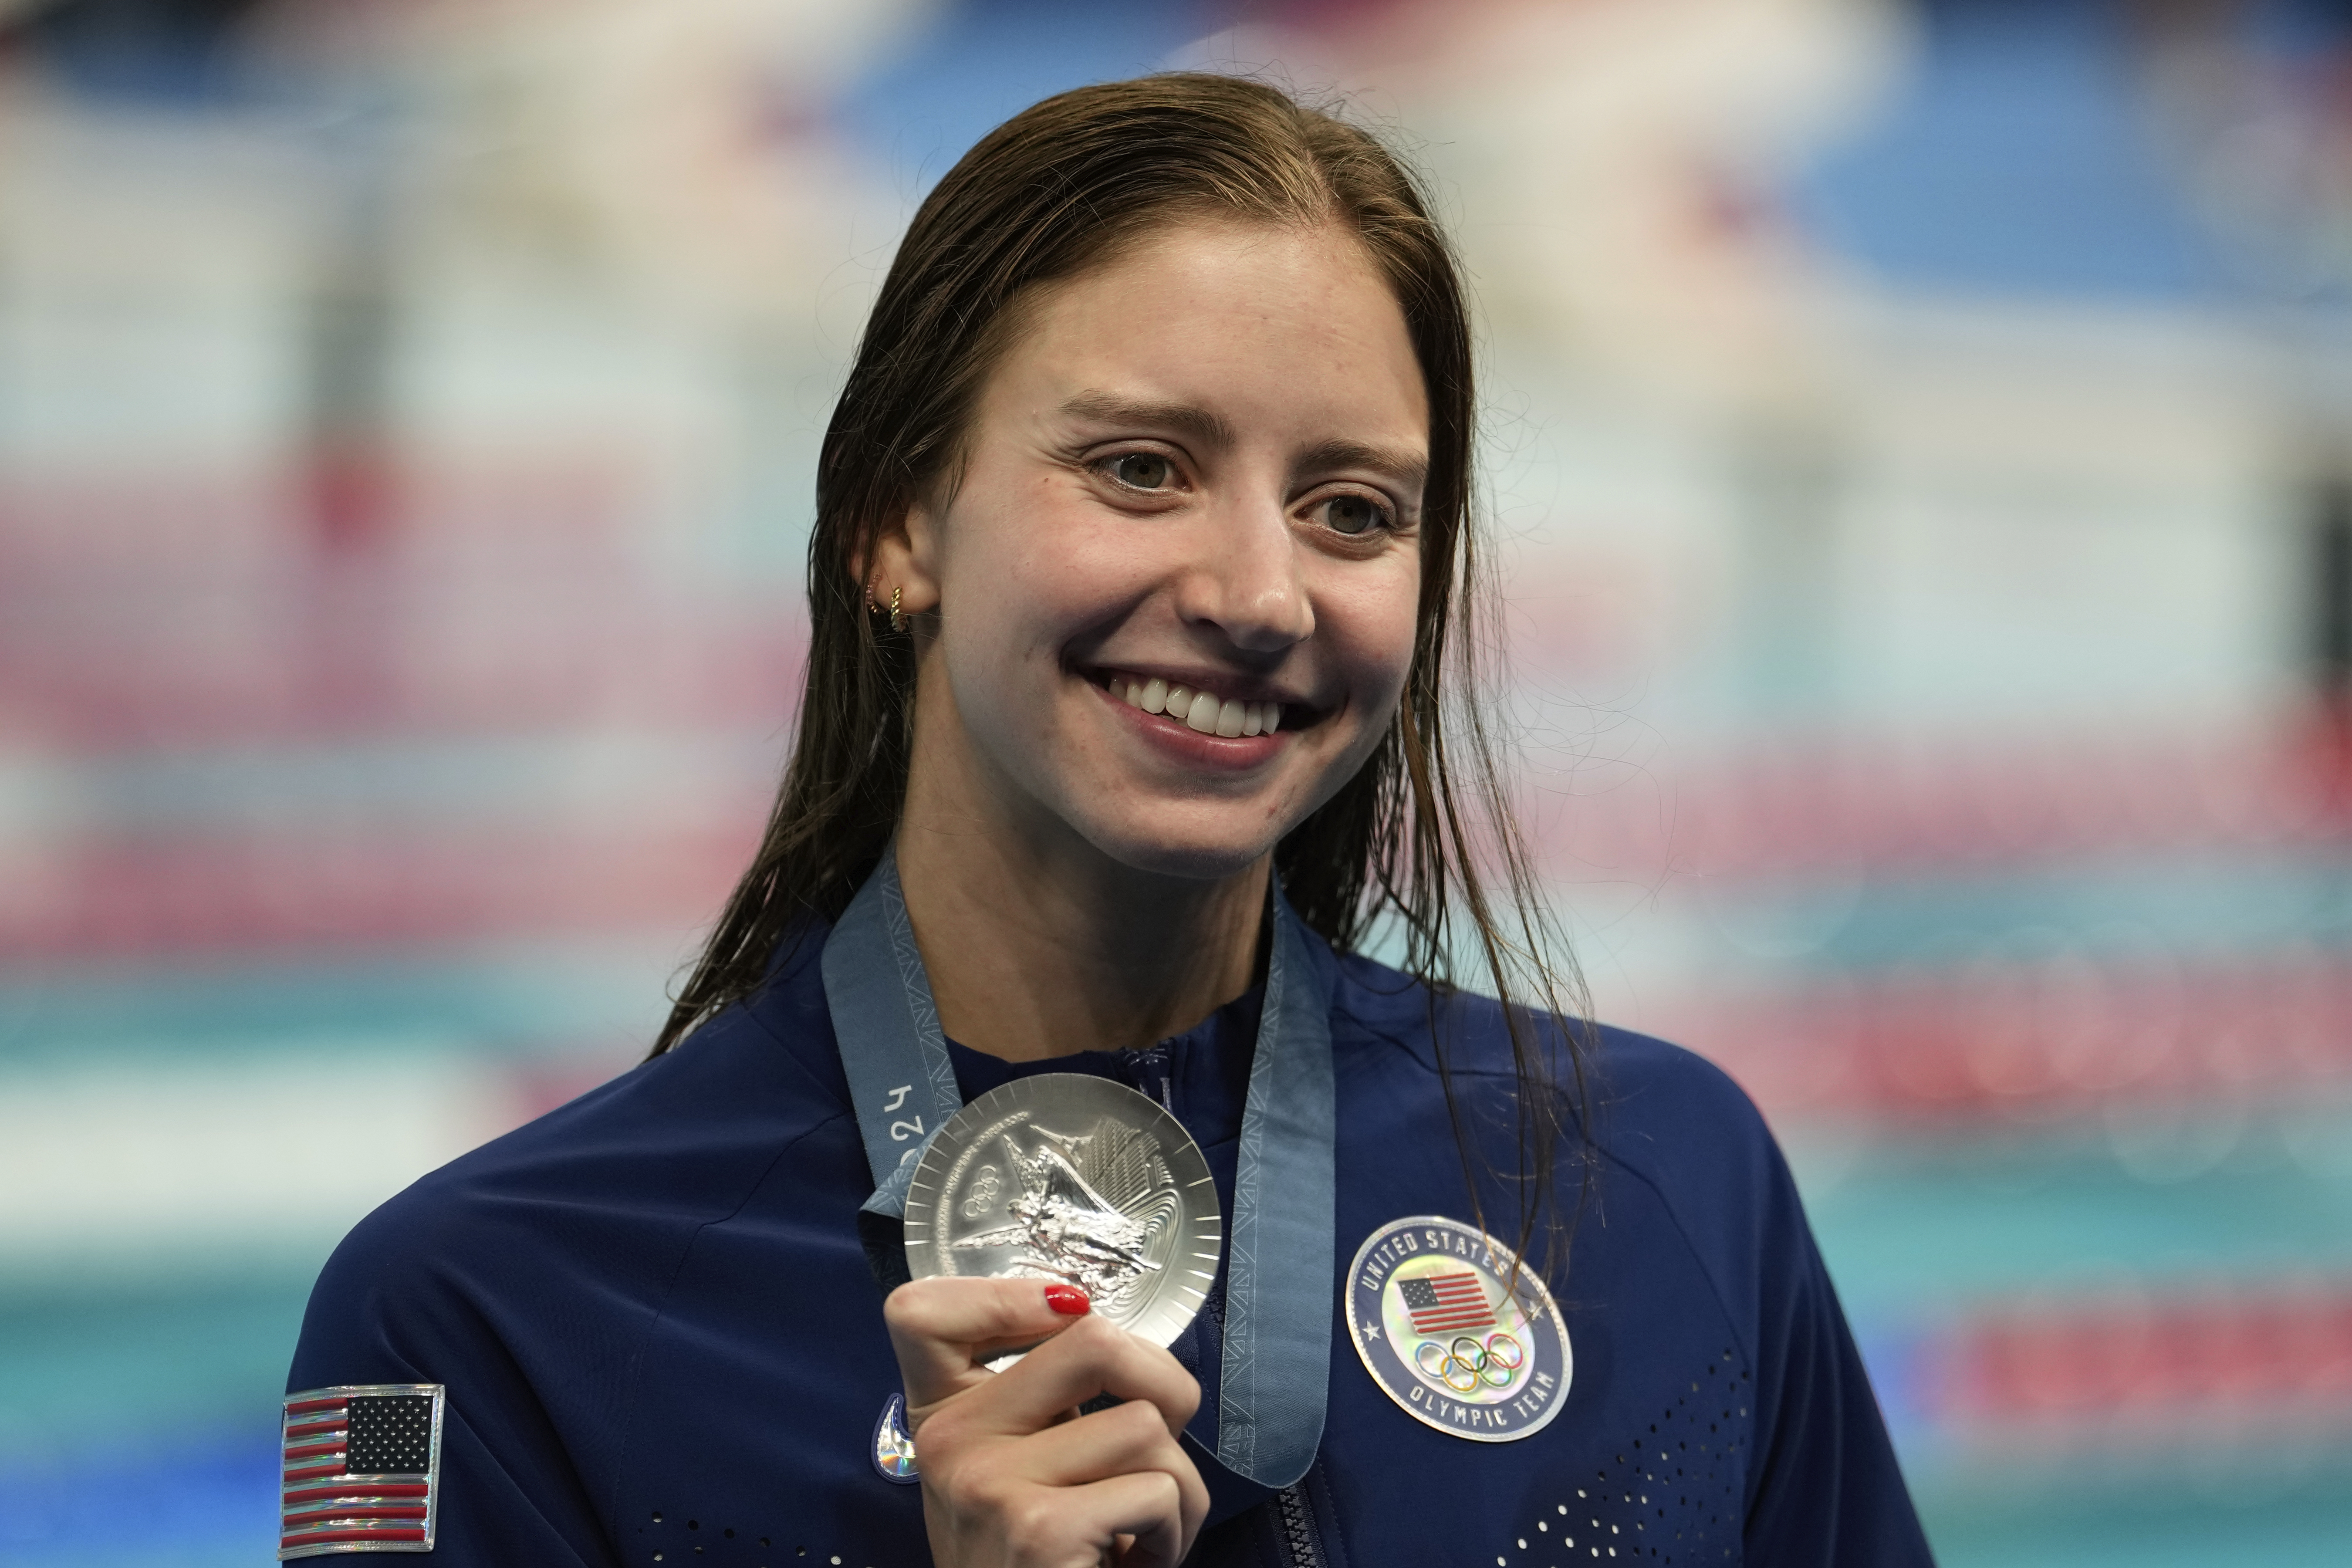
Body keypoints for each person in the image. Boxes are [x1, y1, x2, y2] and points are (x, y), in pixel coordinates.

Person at [284, 74, 1933, 1568]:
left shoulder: (1661, 1182)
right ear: (892, 523)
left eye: (1353, 510)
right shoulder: (472, 1315)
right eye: (1142, 468)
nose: (1259, 593)